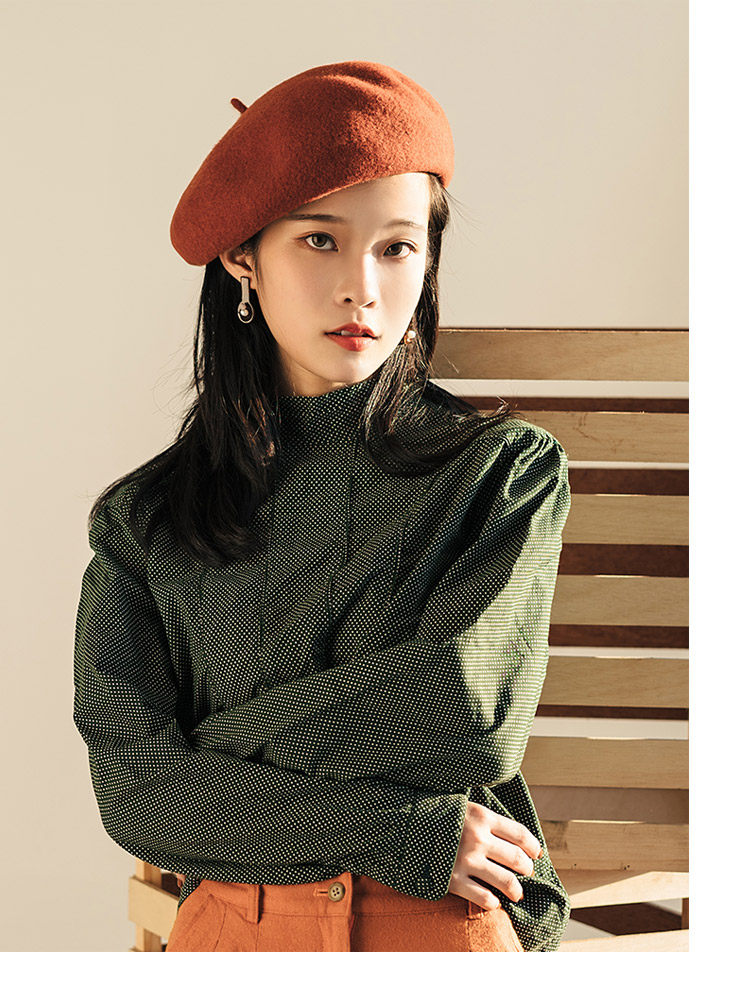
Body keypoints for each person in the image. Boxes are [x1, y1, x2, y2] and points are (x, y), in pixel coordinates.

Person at [72, 60, 572, 953]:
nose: (362, 287)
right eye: (318, 240)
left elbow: (468, 713)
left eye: (397, 246)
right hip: (238, 924)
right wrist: (398, 829)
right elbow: (136, 795)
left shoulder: (502, 473)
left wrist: (206, 760)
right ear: (242, 256)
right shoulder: (146, 521)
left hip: (439, 921)